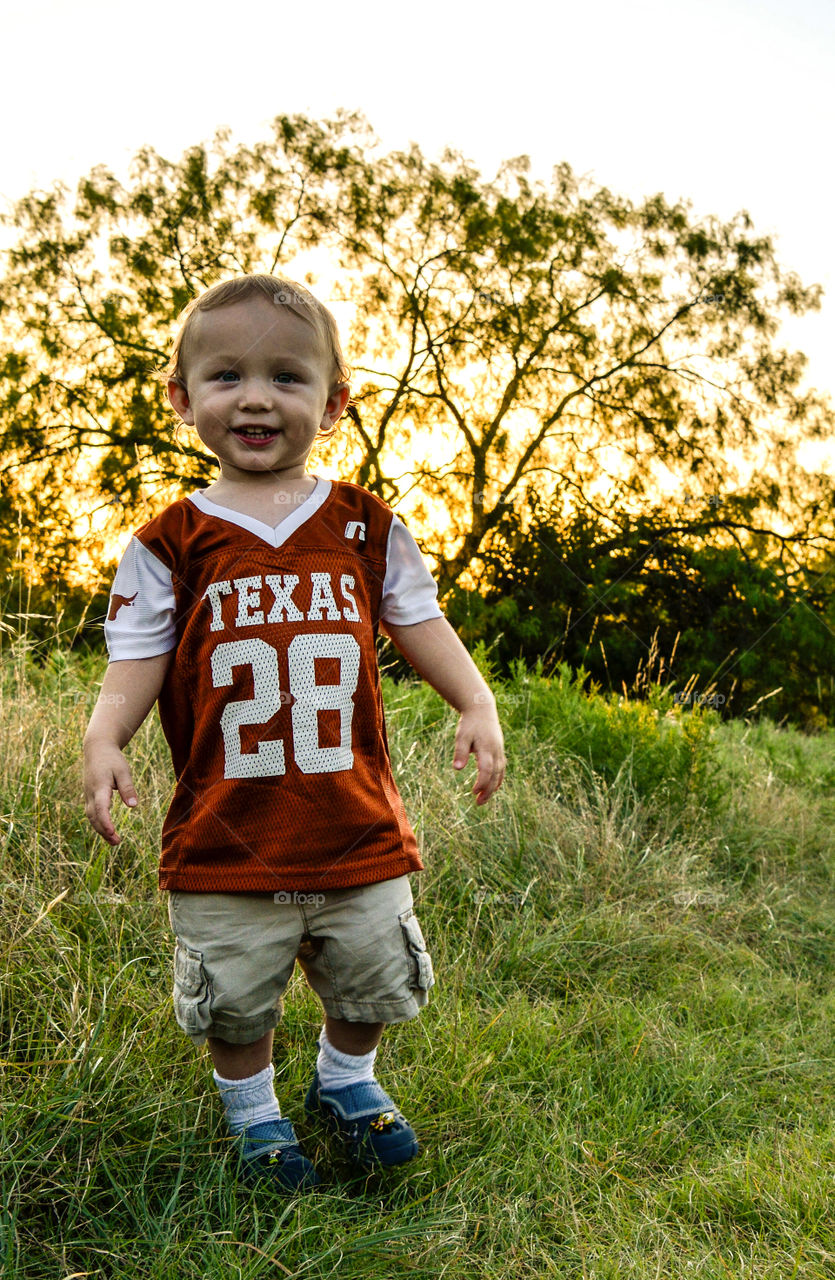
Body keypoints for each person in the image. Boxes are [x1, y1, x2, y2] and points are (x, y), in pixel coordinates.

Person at [82, 274, 506, 1194]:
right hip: (227, 833)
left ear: (334, 401)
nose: (257, 397)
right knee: (235, 1002)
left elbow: (420, 622)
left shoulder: (363, 526)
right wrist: (104, 737)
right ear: (183, 398)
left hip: (353, 827)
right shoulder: (170, 541)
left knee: (372, 980)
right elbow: (138, 657)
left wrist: (475, 702)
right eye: (227, 375)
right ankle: (255, 1113)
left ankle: (347, 1080)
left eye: (287, 376)